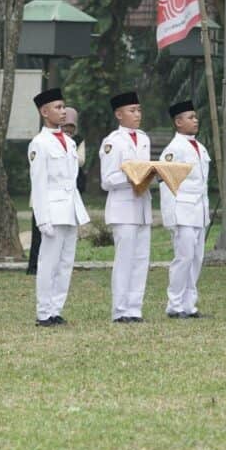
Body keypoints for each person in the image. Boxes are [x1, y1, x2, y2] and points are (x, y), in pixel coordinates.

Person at [28, 88, 90, 327]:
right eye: (57, 108)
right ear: (44, 112)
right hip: (52, 210)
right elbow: (39, 183)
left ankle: (56, 309)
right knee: (48, 262)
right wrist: (42, 218)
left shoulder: (69, 142)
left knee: (65, 262)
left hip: (70, 209)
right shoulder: (39, 143)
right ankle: (44, 312)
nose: (63, 112)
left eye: (64, 107)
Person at [100, 91, 152, 323]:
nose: (137, 114)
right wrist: (132, 177)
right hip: (123, 207)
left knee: (141, 260)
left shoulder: (143, 138)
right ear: (119, 115)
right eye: (132, 110)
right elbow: (107, 179)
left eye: (139, 110)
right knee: (125, 260)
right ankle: (120, 310)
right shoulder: (113, 142)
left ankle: (134, 308)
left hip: (142, 207)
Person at [158, 100, 210, 319]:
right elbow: (166, 184)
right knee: (183, 258)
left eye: (196, 117)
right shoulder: (174, 149)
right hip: (182, 211)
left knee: (196, 258)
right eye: (190, 117)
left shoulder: (199, 146)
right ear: (178, 122)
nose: (195, 120)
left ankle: (190, 305)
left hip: (199, 211)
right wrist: (170, 217)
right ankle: (175, 305)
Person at [63, 107, 88, 194]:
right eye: (65, 126)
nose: (68, 129)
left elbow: (81, 161)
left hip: (75, 179)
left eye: (71, 126)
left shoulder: (78, 140)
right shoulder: (53, 139)